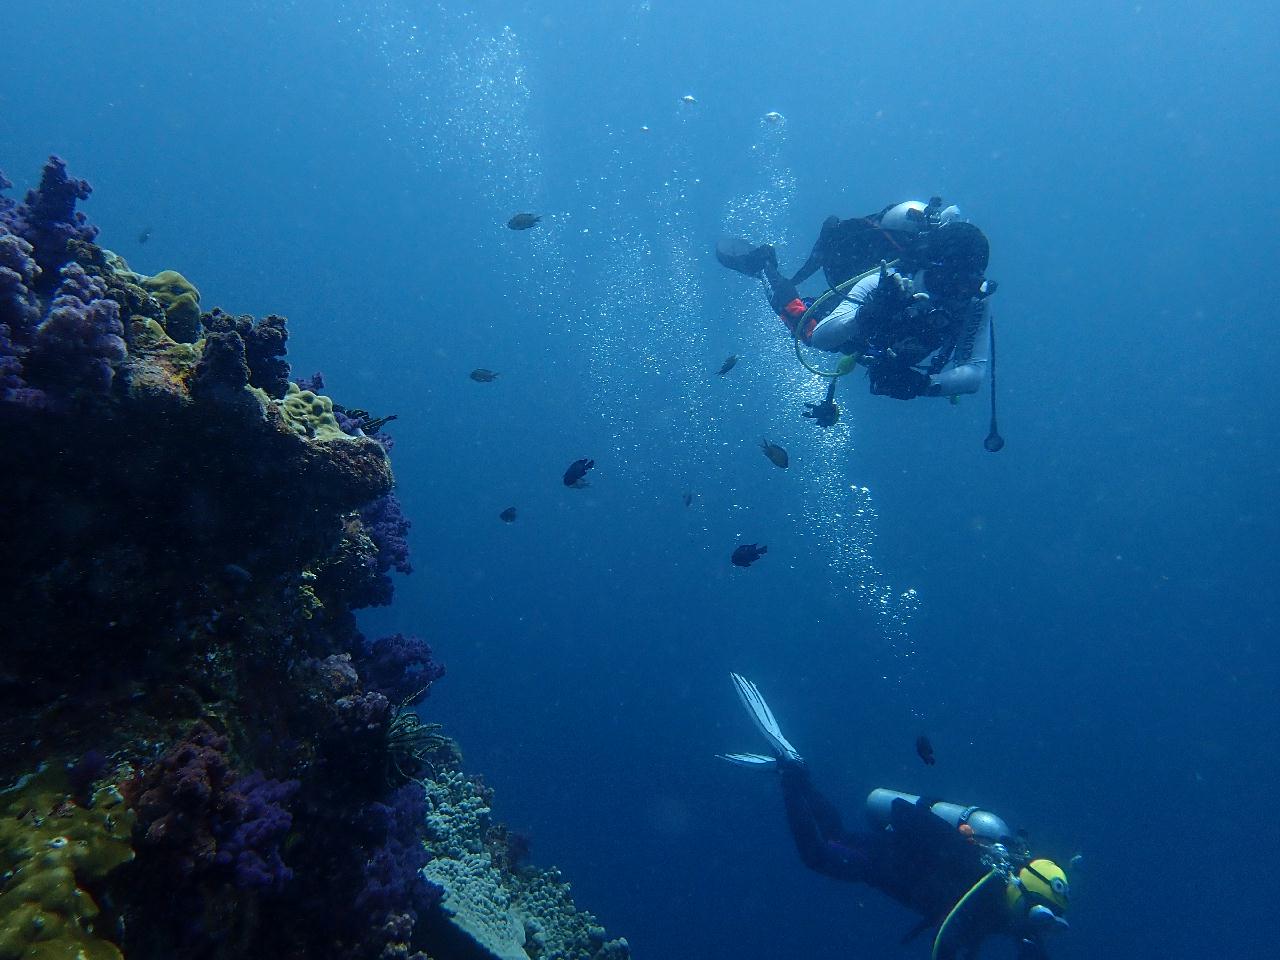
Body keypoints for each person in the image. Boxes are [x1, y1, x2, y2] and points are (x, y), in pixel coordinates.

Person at [719, 674, 1071, 960]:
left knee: (835, 832)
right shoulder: (975, 873)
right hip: (881, 861)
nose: (1036, 922)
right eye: (1038, 913)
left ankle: (796, 770)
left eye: (1044, 919)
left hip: (885, 860)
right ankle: (791, 773)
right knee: (818, 853)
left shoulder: (1008, 911)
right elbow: (944, 944)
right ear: (1023, 891)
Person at [716, 198, 996, 405]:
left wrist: (923, 384)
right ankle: (764, 265)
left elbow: (974, 372)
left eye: (968, 284)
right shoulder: (891, 280)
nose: (955, 293)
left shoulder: (974, 302)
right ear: (929, 268)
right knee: (808, 328)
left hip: (884, 350)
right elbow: (824, 338)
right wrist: (867, 315)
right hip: (855, 328)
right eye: (948, 281)